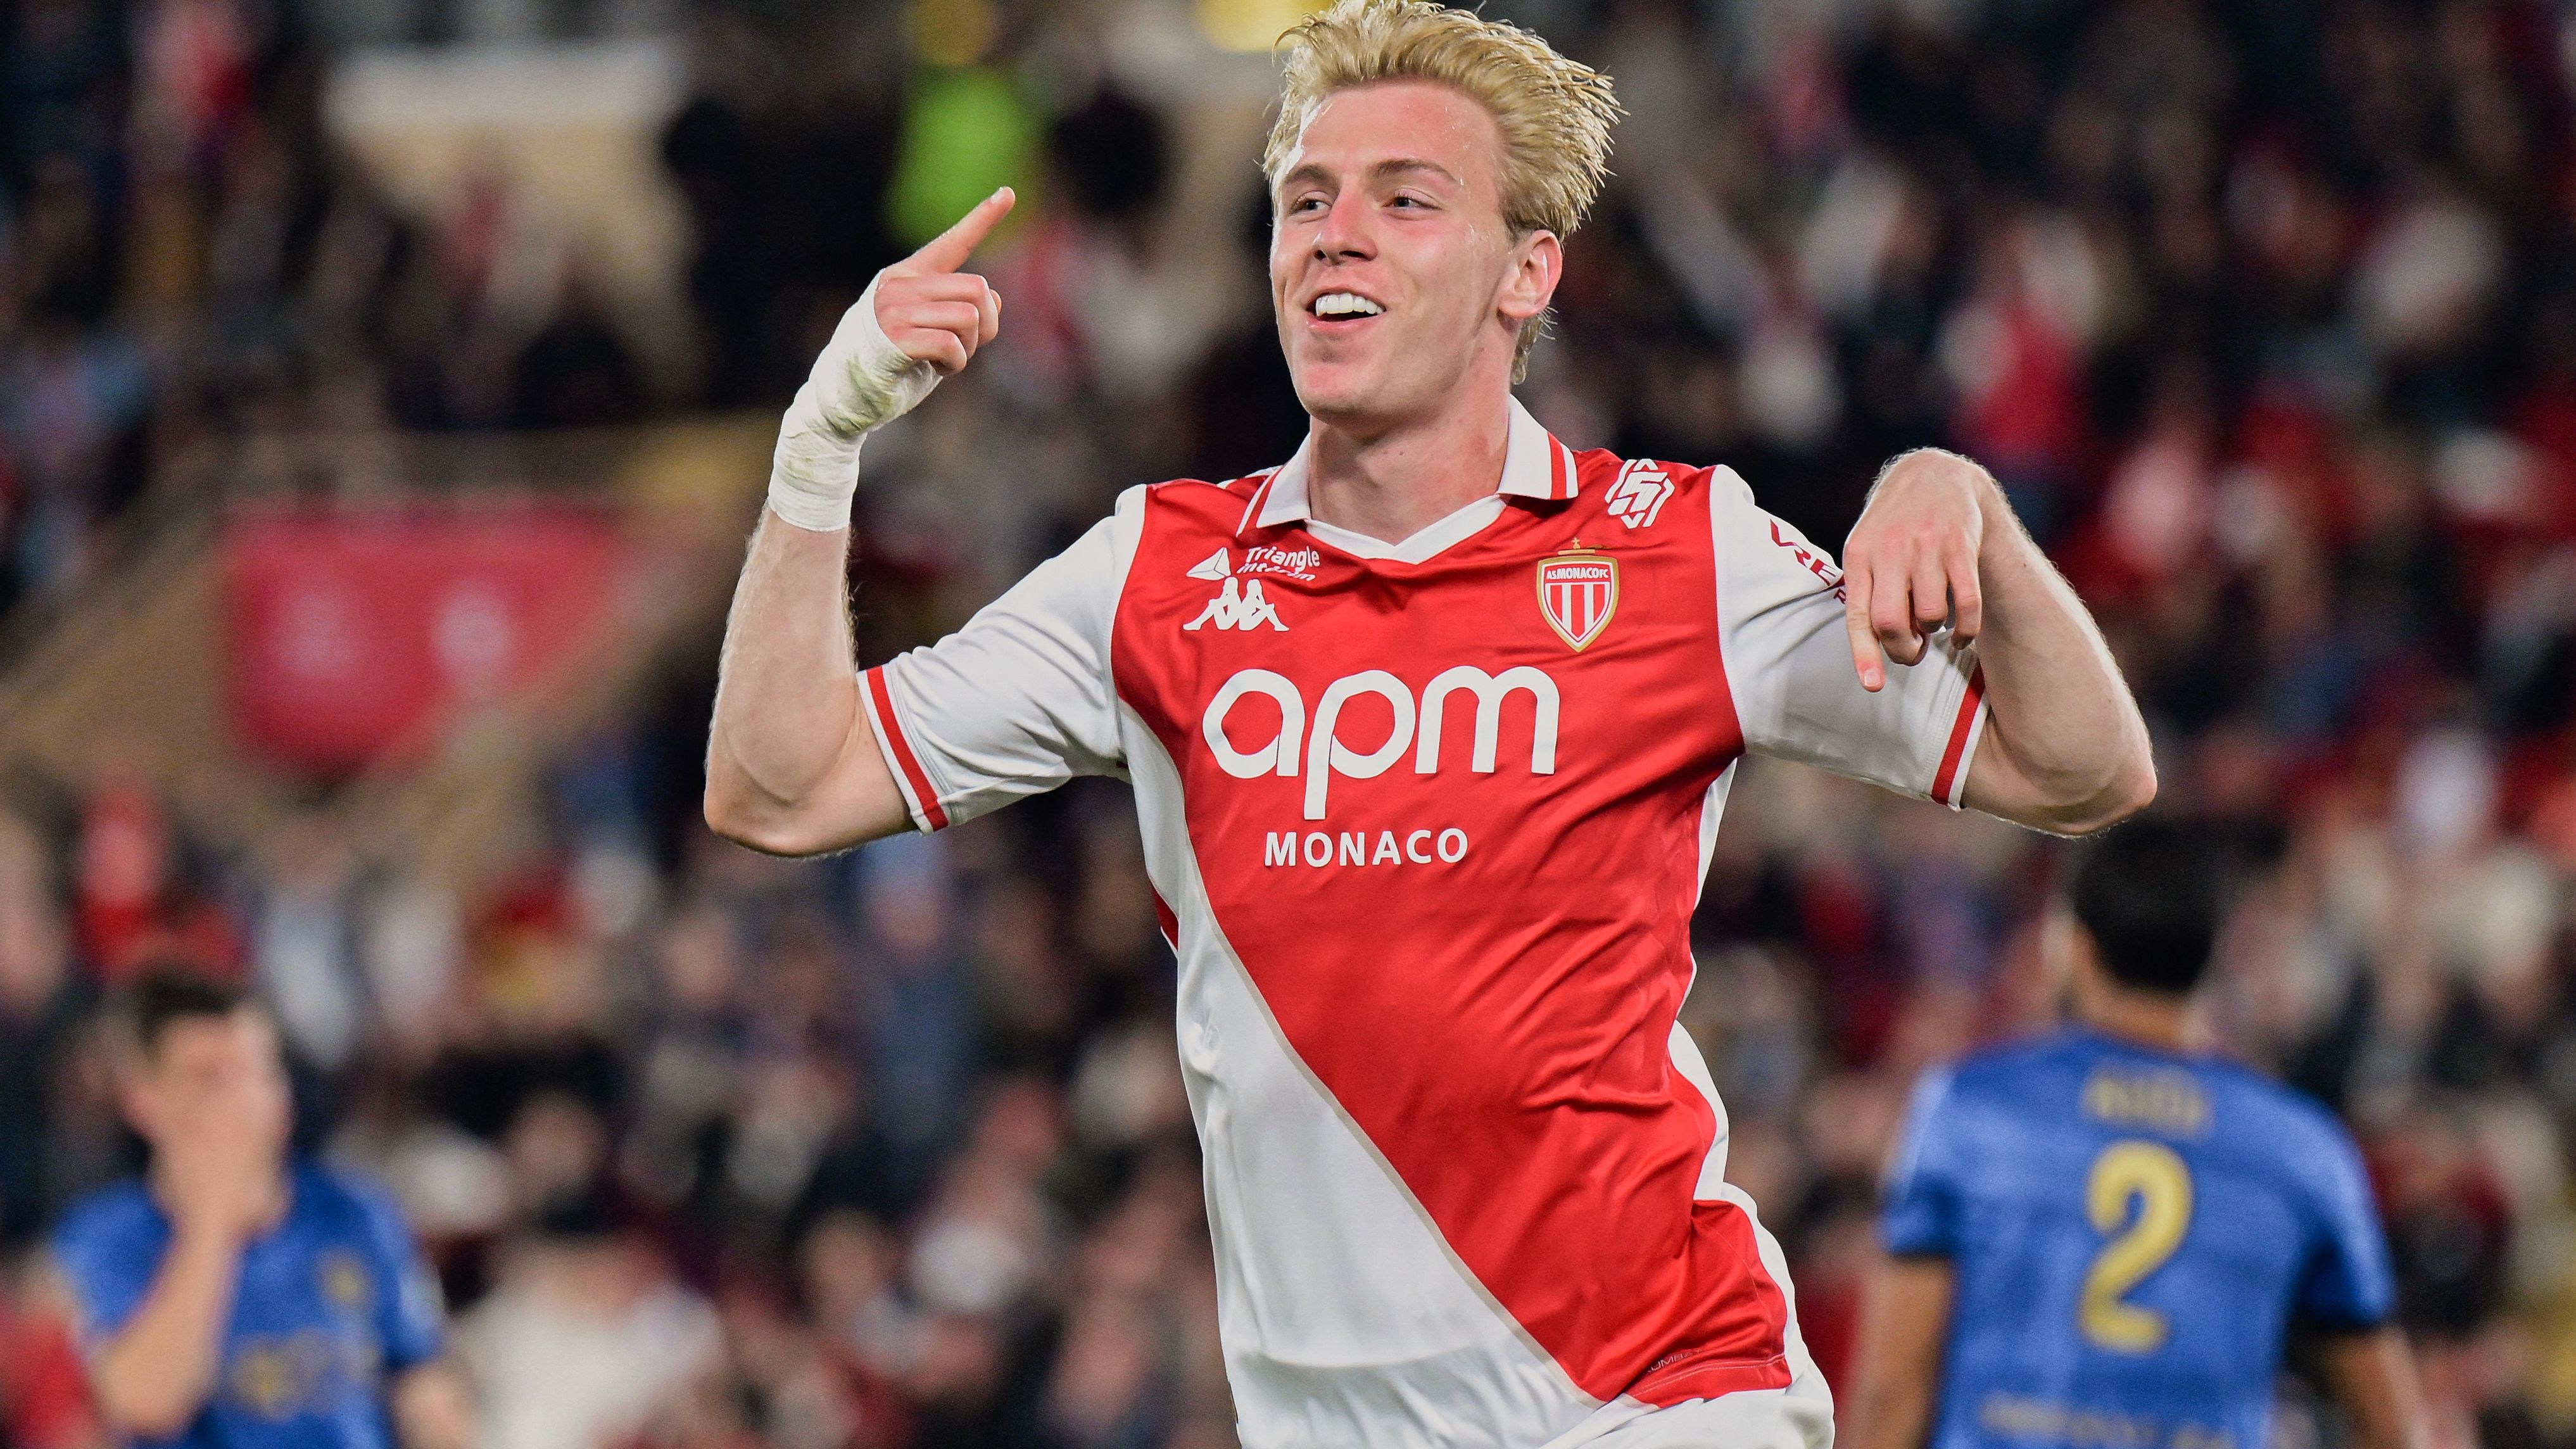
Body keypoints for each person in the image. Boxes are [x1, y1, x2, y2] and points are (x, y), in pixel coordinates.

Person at [702, 0, 2155, 1442]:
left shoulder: (1676, 550)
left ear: (1527, 271)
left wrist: (1963, 499)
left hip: (1653, 1400)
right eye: (1307, 200)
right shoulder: (1155, 571)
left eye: (1405, 201)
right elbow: (781, 786)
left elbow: (2079, 768)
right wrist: (820, 441)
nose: (1335, 235)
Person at [1841, 821, 2429, 1449]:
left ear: (2074, 945)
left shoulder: (1972, 1110)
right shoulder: (2302, 1149)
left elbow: (1891, 1392)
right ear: (2217, 951)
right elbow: (2390, 1423)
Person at [43, 968, 472, 1448]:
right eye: (210, 1079)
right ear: (146, 1103)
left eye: (255, 1071)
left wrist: (440, 1422)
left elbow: (421, 1372)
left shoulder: (354, 1213)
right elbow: (146, 1404)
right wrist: (212, 1219)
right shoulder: (109, 1235)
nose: (242, 1100)